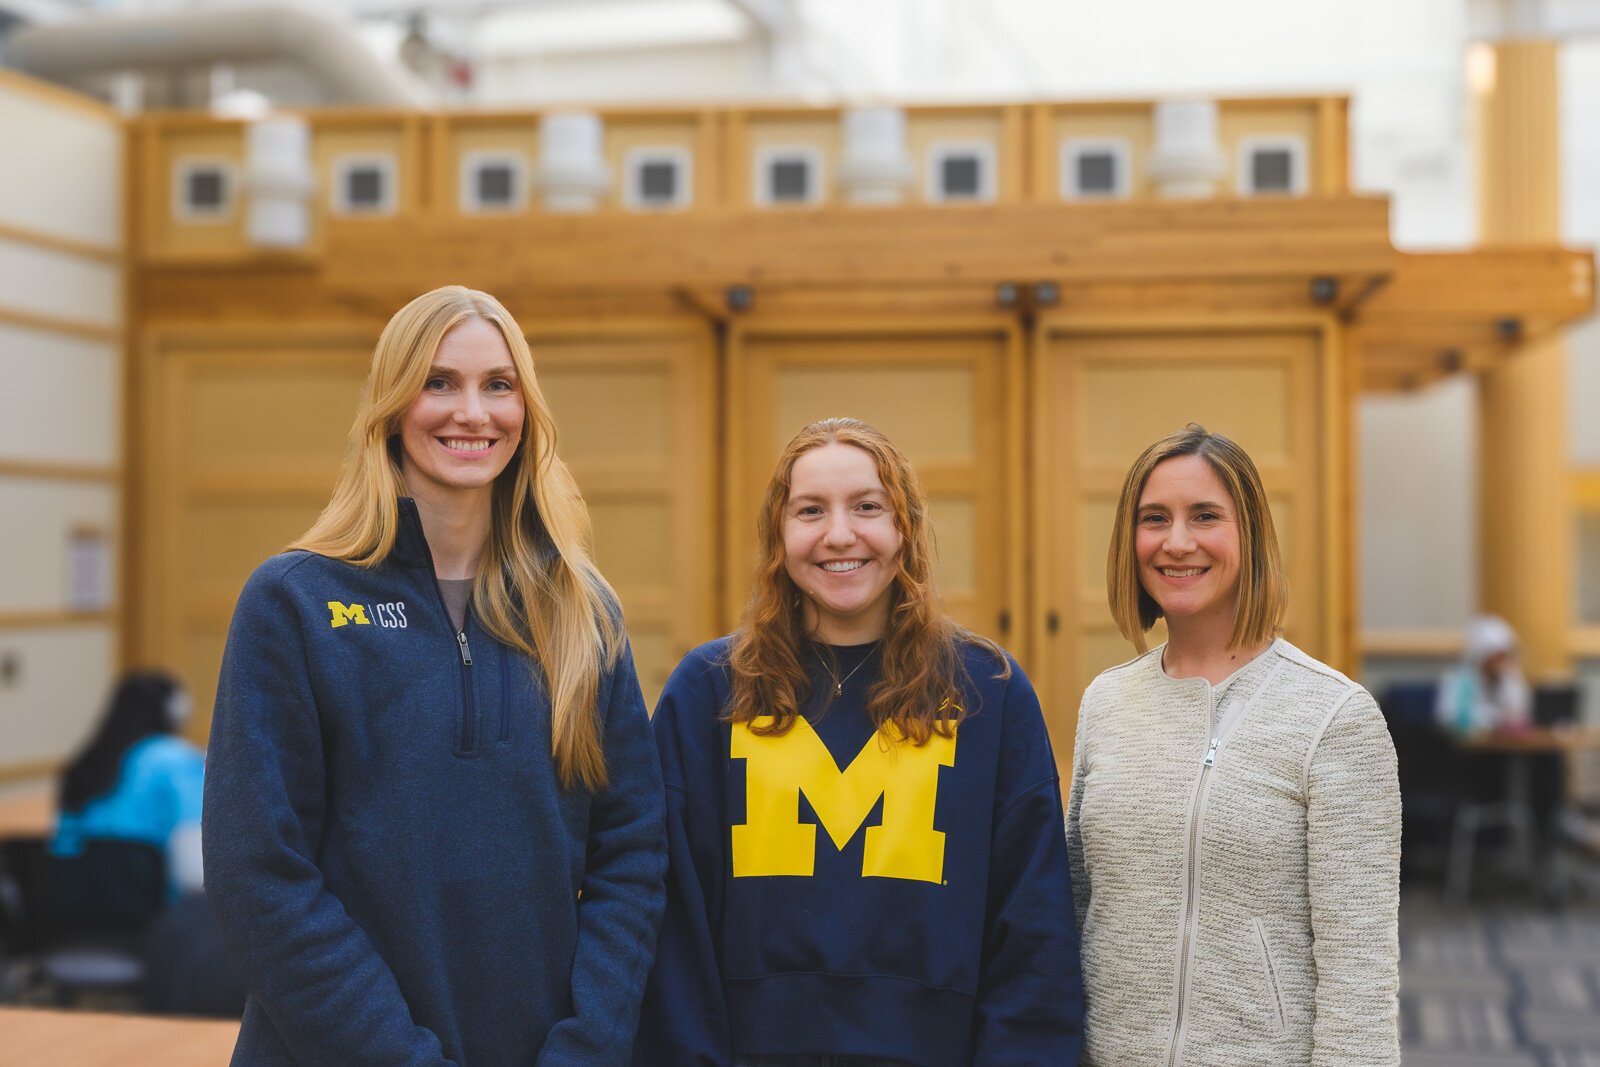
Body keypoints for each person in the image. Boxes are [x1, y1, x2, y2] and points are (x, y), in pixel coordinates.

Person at [203, 285, 666, 1065]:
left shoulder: (582, 610)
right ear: (391, 405)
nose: (473, 412)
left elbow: (632, 856)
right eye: (439, 381)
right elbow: (260, 876)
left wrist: (586, 1048)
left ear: (527, 410)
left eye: (499, 384)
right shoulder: (293, 602)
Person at [636, 417, 1083, 1067]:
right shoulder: (707, 693)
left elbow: (1034, 933)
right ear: (778, 534)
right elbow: (671, 927)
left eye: (868, 507)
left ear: (905, 528)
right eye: (810, 510)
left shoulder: (990, 693)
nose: (839, 534)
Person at [1065, 423, 1400, 1066]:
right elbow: (1080, 909)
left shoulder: (1336, 719)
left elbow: (1360, 973)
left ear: (1251, 534)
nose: (1177, 541)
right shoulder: (1106, 701)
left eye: (1206, 516)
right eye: (1154, 518)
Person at [53, 670, 204, 902]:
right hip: (155, 910)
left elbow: (63, 848)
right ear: (175, 712)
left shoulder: (87, 761)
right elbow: (194, 863)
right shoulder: (176, 760)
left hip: (85, 908)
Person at [1435, 614, 1531, 736]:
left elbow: (1520, 713)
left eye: (1506, 656)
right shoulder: (1460, 680)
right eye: (1498, 656)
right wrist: (1494, 721)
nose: (1503, 663)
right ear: (1482, 655)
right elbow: (1450, 717)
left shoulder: (1510, 679)